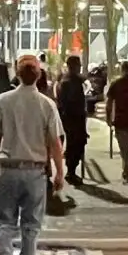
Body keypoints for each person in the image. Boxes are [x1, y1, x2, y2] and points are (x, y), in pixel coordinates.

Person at [0, 54, 66, 255]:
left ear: (16, 75)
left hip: (8, 169)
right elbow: (55, 142)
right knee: (30, 230)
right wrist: (59, 172)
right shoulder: (46, 104)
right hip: (35, 172)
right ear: (39, 76)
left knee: (4, 223)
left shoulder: (3, 100)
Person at [55, 55, 93, 188]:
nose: (80, 66)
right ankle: (70, 171)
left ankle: (71, 170)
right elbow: (73, 103)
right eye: (79, 64)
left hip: (70, 118)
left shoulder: (66, 80)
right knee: (75, 145)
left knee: (74, 144)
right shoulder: (70, 82)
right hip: (74, 119)